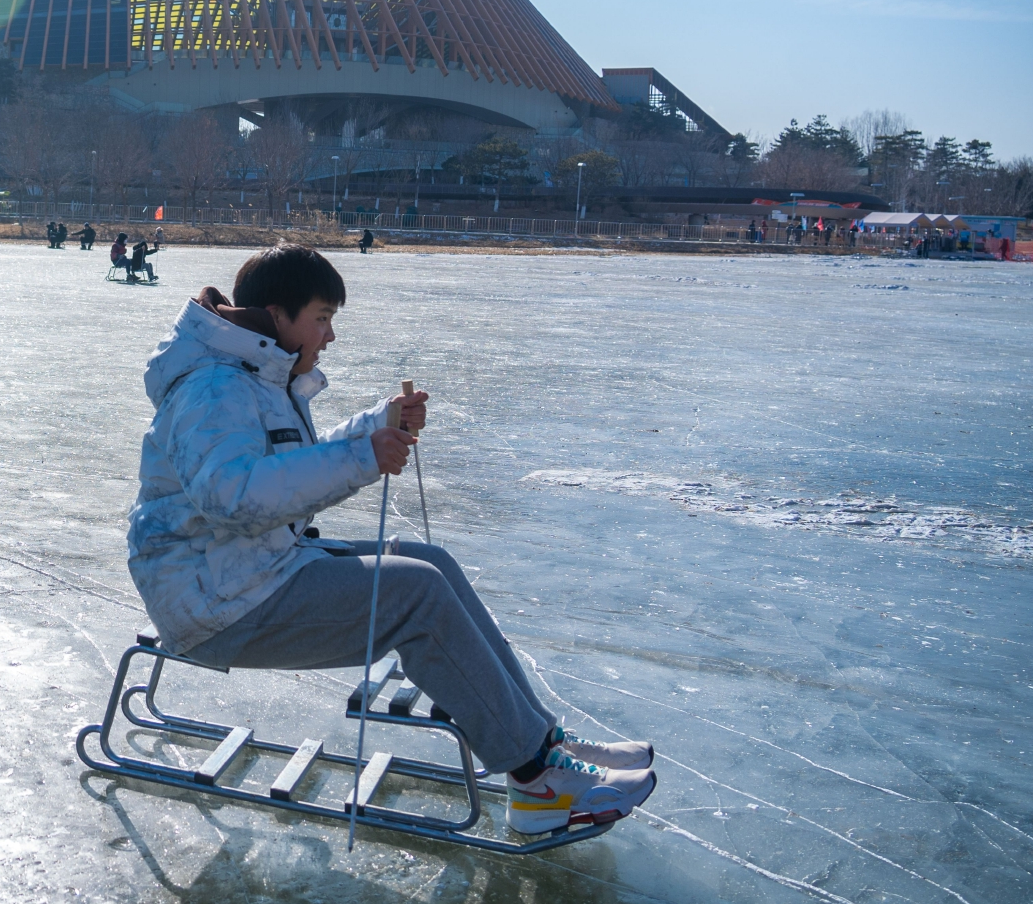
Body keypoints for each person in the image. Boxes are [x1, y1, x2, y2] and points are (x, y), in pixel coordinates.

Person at [124, 244, 656, 835]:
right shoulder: (214, 387)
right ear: (278, 316)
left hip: (247, 571)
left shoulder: (254, 374)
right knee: (415, 593)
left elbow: (287, 464)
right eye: (322, 318)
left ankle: (542, 740)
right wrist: (360, 457)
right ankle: (537, 780)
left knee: (428, 562)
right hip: (215, 603)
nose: (329, 336)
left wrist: (377, 427)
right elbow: (234, 495)